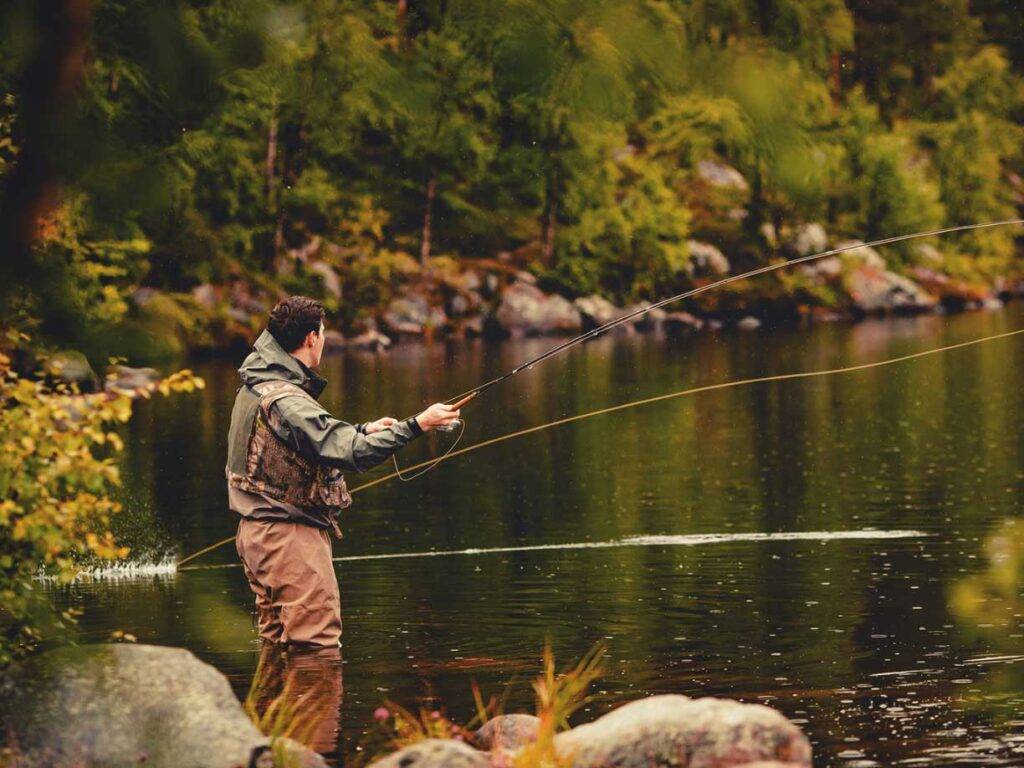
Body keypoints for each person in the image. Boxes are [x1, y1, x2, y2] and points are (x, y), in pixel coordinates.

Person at [226, 295, 459, 647]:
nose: (322, 340)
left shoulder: (256, 385)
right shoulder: (288, 400)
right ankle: (315, 704)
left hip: (257, 534)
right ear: (311, 339)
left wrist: (364, 430)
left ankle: (273, 704)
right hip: (289, 540)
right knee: (315, 644)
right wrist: (418, 424)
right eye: (322, 333)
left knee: (278, 644)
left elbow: (300, 442)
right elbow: (351, 453)